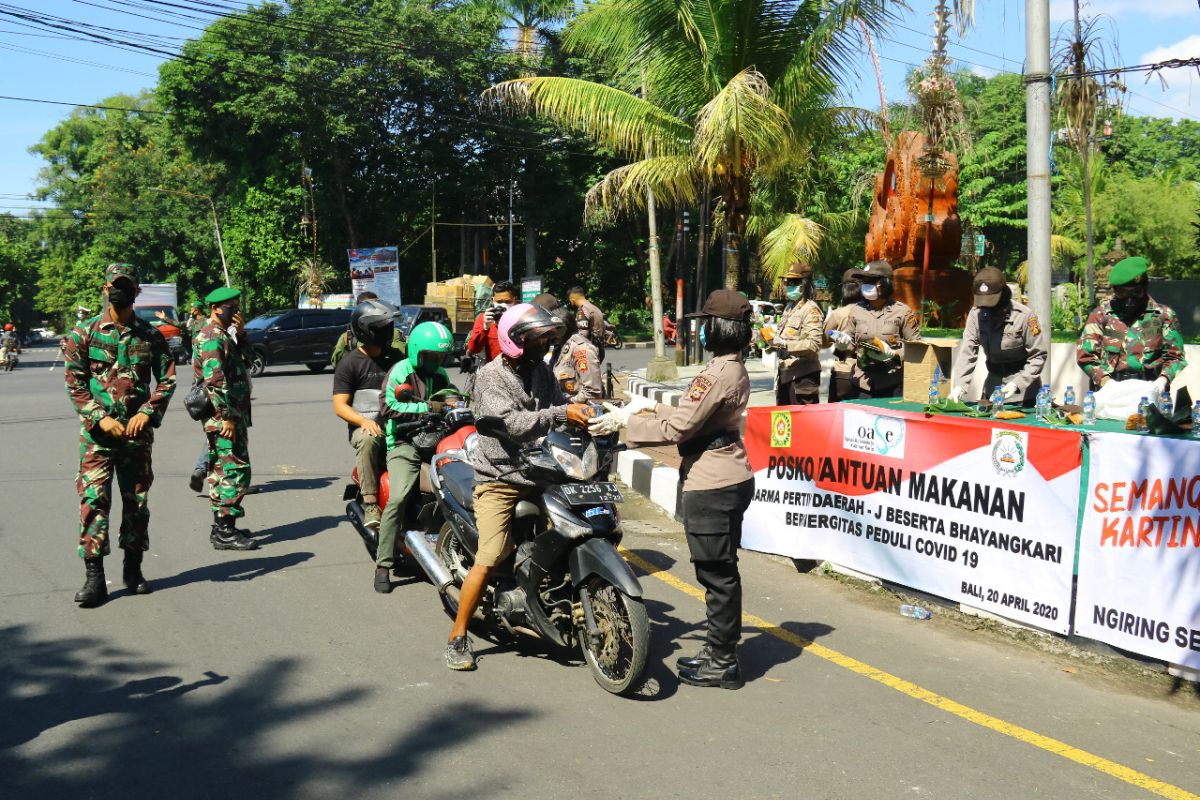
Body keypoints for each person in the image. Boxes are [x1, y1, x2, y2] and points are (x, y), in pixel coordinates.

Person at [590, 289, 754, 689]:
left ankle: (722, 661)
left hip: (712, 483)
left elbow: (679, 428)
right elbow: (691, 416)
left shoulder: (717, 373)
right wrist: (649, 407)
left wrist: (624, 427)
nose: (700, 329)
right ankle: (719, 650)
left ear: (718, 327)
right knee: (721, 571)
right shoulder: (730, 368)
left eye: (705, 323)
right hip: (727, 474)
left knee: (717, 575)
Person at [445, 304, 592, 670]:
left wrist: (587, 412)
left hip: (543, 470)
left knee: (574, 529)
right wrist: (561, 414)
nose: (543, 344)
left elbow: (559, 405)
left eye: (545, 337)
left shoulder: (541, 369)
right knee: (491, 556)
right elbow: (511, 422)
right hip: (501, 477)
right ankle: (458, 636)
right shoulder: (491, 376)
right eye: (536, 338)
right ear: (515, 341)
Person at [62, 263, 177, 607]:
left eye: (126, 286)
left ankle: (133, 569)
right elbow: (75, 384)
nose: (119, 291)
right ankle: (94, 577)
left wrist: (147, 411)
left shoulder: (151, 335)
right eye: (115, 286)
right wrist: (98, 418)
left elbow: (168, 379)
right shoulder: (83, 333)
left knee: (136, 504)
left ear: (136, 293)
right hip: (98, 439)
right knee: (94, 503)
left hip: (136, 438)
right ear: (104, 288)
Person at [376, 321, 457, 593]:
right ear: (416, 352)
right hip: (405, 443)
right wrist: (426, 407)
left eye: (440, 356)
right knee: (398, 497)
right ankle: (383, 564)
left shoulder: (442, 375)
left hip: (437, 441)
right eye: (431, 356)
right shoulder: (400, 372)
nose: (436, 361)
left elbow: (451, 398)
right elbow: (388, 406)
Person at [332, 299, 403, 538]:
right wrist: (363, 421)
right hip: (369, 426)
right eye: (382, 326)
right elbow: (340, 406)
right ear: (366, 331)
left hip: (400, 423)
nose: (387, 330)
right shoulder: (350, 363)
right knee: (368, 439)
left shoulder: (396, 357)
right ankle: (371, 503)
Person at [195, 286, 257, 551]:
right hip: (224, 417)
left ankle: (223, 527)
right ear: (215, 308)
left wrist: (241, 336)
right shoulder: (211, 337)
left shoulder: (224, 335)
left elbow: (249, 360)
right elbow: (215, 381)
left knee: (223, 470)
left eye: (236, 307)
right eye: (230, 307)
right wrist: (227, 417)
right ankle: (225, 531)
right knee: (233, 470)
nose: (235, 312)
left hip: (231, 414)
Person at [1077, 256, 1186, 392]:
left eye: (1136, 292)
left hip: (1151, 390)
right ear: (1115, 290)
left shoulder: (1163, 316)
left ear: (1145, 288)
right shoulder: (1101, 315)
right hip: (1109, 390)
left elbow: (1175, 356)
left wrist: (1163, 380)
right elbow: (1085, 355)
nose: (1129, 300)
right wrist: (1105, 381)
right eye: (1122, 293)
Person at [949, 267, 1048, 407]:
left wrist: (1017, 383)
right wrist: (959, 386)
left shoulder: (1024, 316)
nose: (986, 307)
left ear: (1003, 295)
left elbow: (1038, 356)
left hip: (1023, 394)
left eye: (991, 302)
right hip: (992, 391)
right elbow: (967, 352)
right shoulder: (976, 314)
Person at [827, 260, 920, 399]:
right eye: (864, 281)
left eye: (871, 281)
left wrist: (894, 354)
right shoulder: (856, 310)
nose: (866, 285)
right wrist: (843, 343)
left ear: (886, 283)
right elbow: (850, 342)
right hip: (862, 383)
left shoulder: (903, 312)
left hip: (892, 384)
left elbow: (917, 346)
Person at [769, 263, 824, 405]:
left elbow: (814, 344)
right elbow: (782, 337)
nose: (788, 286)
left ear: (804, 285)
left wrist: (785, 344)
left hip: (803, 378)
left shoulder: (811, 309)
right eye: (787, 282)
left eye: (793, 282)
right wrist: (769, 341)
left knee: (804, 424)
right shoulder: (789, 307)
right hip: (786, 374)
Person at [185, 299, 212, 493]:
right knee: (220, 438)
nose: (190, 309)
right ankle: (202, 470)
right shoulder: (209, 335)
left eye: (192, 307)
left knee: (214, 437)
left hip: (202, 388)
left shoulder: (205, 326)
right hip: (213, 393)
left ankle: (203, 471)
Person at [823, 269, 862, 403]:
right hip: (868, 372)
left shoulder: (839, 313)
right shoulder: (871, 312)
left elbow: (824, 340)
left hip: (844, 369)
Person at [554, 312, 603, 403]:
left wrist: (565, 406)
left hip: (579, 412)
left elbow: (592, 393)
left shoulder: (581, 349)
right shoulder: (558, 348)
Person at [466, 279, 517, 364]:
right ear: (493, 300)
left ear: (514, 300)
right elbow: (474, 349)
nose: (503, 305)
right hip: (494, 372)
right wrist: (485, 327)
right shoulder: (484, 319)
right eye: (499, 302)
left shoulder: (520, 318)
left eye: (507, 301)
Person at [568, 286, 607, 360]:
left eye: (569, 300)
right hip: (599, 348)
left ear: (572, 299)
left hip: (589, 351)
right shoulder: (594, 308)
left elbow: (583, 334)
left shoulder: (583, 310)